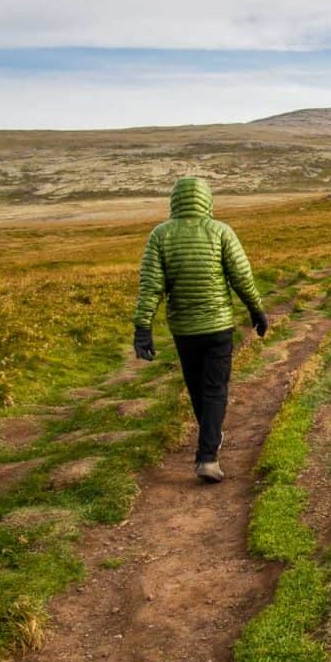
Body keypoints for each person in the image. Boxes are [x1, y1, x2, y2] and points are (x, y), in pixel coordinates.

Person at [131, 177, 268, 483]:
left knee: (196, 387)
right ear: (207, 201)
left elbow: (151, 287)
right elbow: (242, 277)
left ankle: (210, 440)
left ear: (175, 201)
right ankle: (208, 456)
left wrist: (143, 328)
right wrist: (256, 310)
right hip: (218, 326)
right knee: (215, 388)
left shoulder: (160, 235)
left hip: (184, 329)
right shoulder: (221, 231)